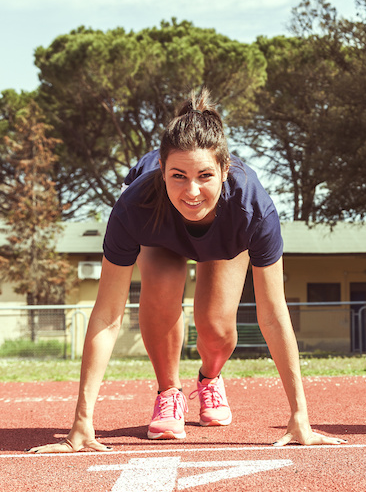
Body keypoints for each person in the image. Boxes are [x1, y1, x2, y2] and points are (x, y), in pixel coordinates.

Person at [29, 88, 344, 452]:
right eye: (178, 175)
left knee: (214, 326)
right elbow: (107, 314)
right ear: (161, 170)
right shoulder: (135, 206)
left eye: (205, 175)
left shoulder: (252, 210)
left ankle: (209, 379)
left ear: (225, 171)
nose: (191, 191)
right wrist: (82, 422)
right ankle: (169, 391)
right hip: (161, 237)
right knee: (161, 291)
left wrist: (299, 416)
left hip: (224, 240)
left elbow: (273, 314)